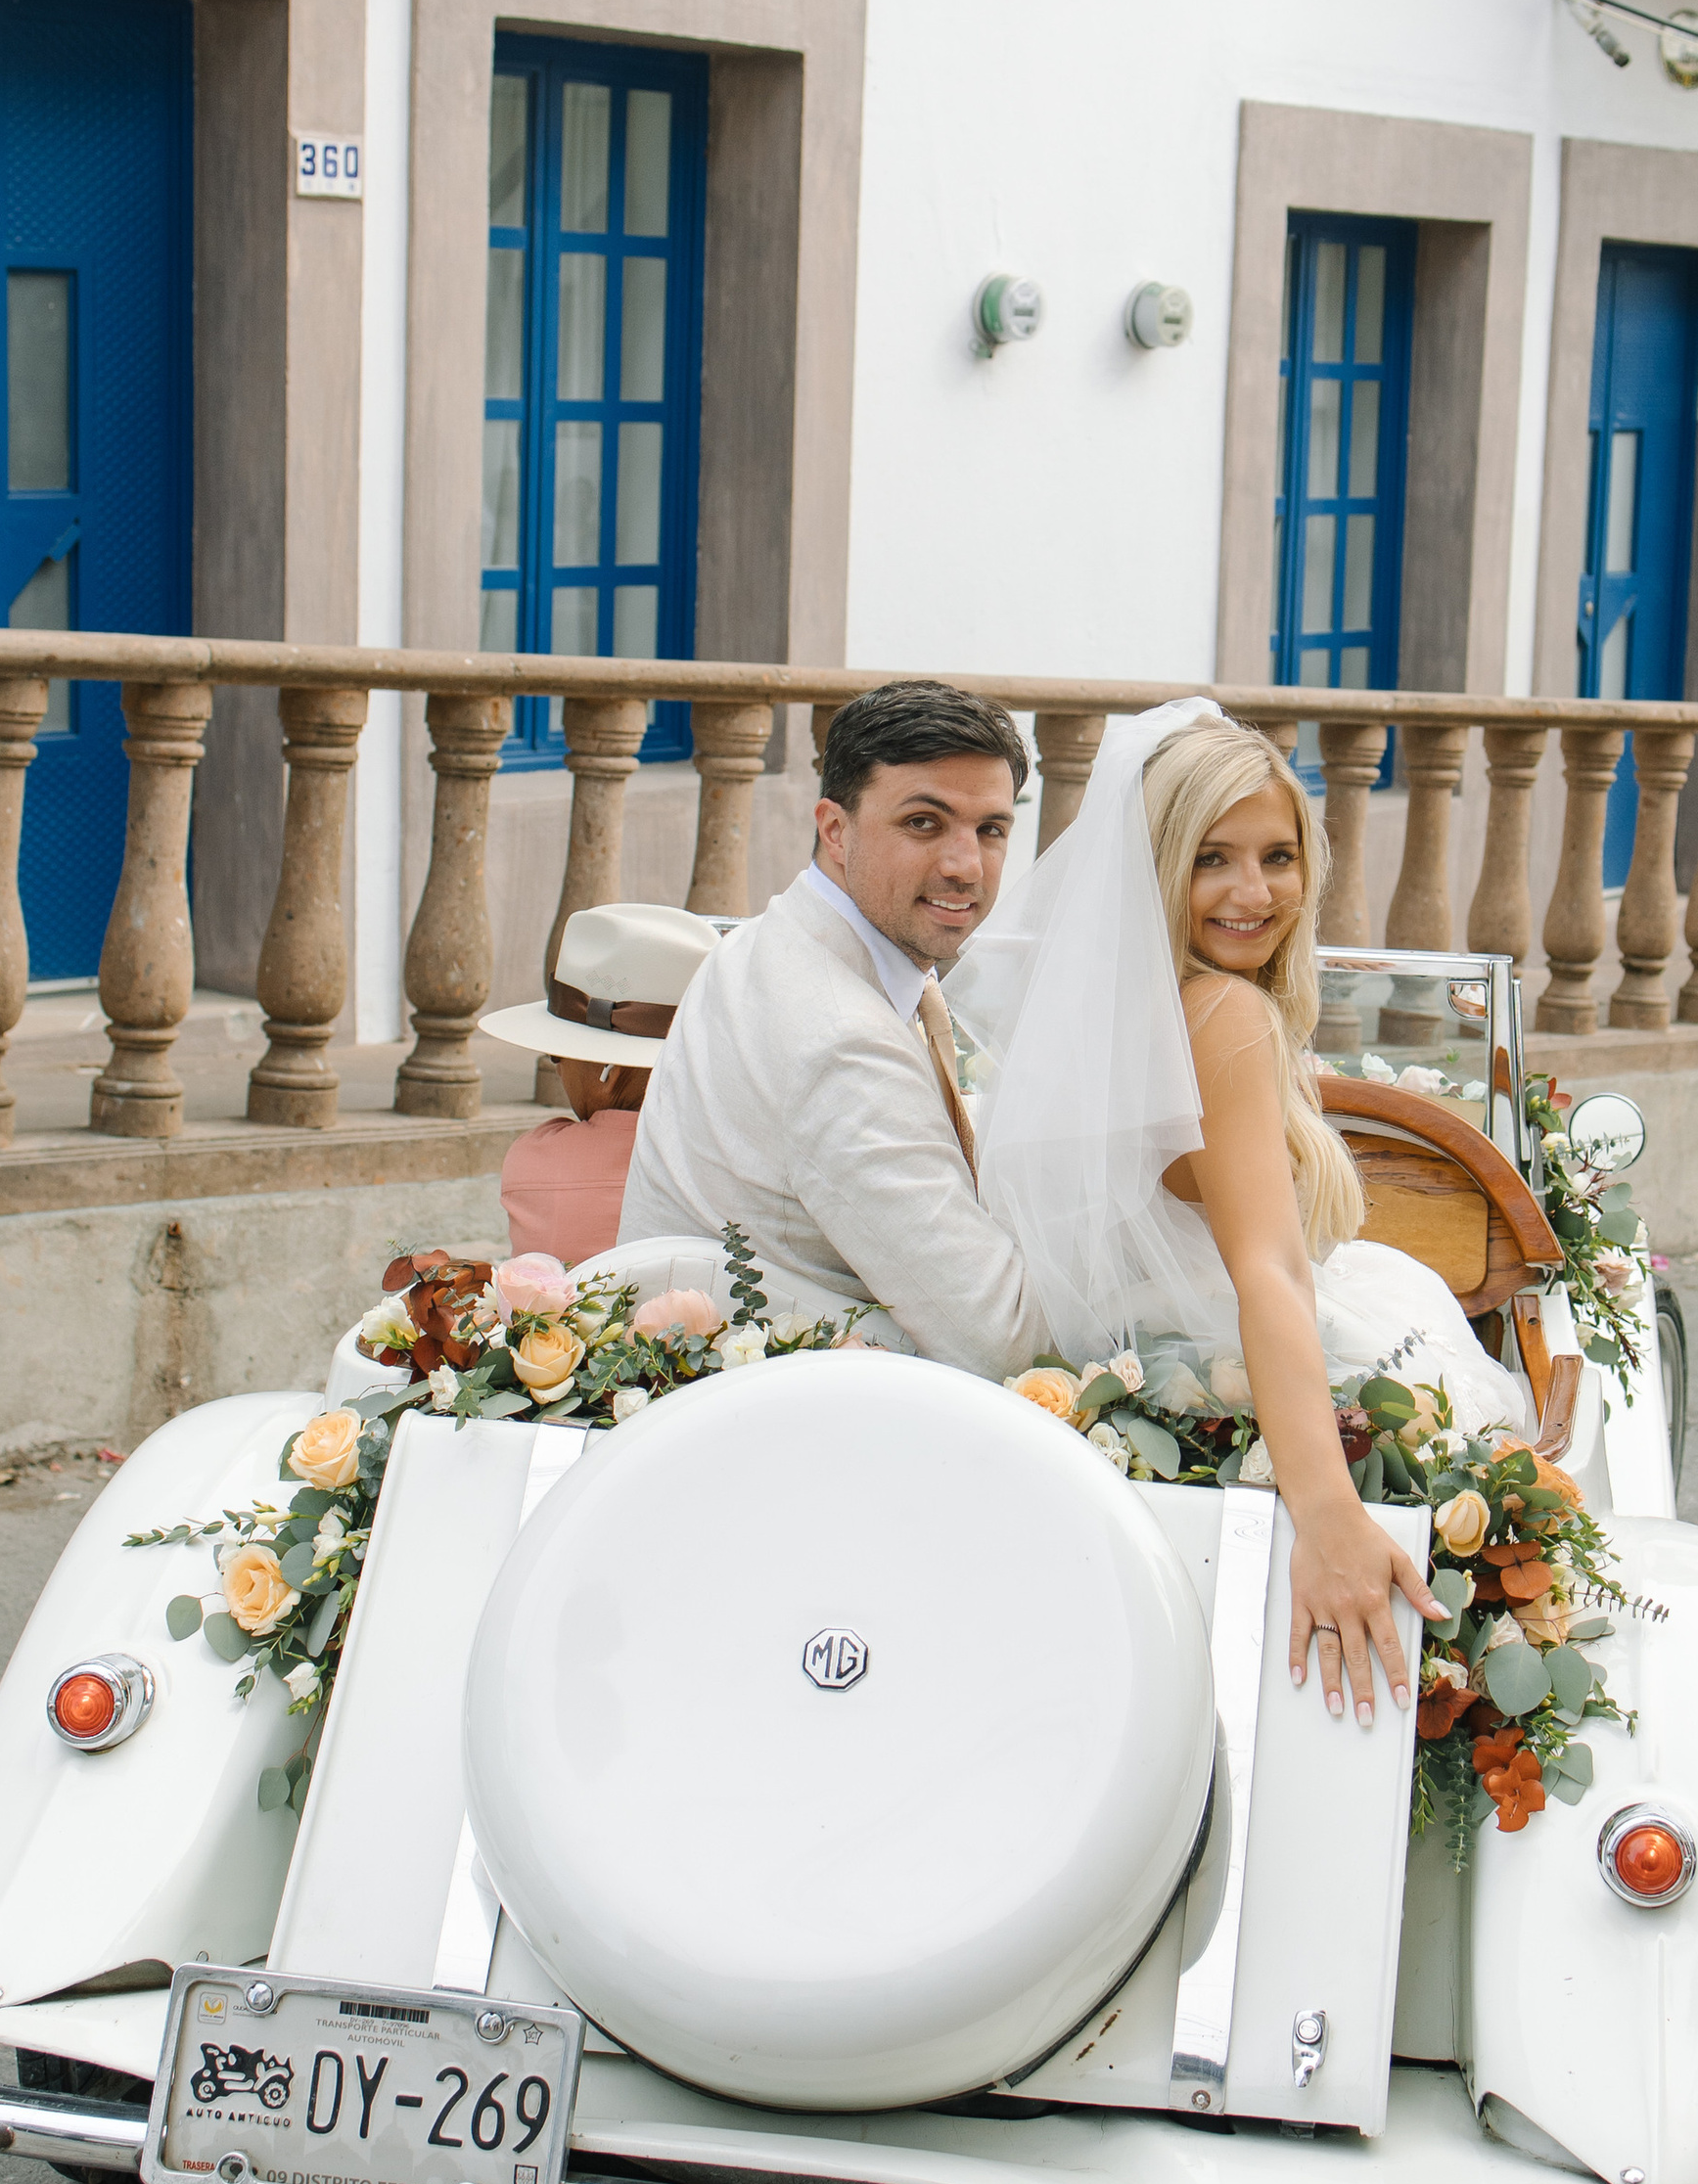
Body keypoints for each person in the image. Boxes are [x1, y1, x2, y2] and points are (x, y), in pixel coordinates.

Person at [951, 700, 1529, 1730]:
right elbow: (1266, 1269)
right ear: (1158, 867)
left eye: (1278, 856)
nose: (1252, 893)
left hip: (1146, 1349)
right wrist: (1329, 1515)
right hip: (1244, 1337)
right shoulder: (1224, 1014)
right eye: (1211, 858)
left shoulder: (1124, 1008)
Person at [619, 680, 1055, 1374]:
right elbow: (999, 1341)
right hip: (800, 1429)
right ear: (834, 829)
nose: (965, 865)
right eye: (923, 822)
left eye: (990, 830)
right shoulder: (840, 1041)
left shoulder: (768, 940)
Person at [480, 900, 724, 1264]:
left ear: (606, 1073)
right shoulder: (733, 1163)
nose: (558, 1069)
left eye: (557, 1054)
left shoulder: (534, 1157)